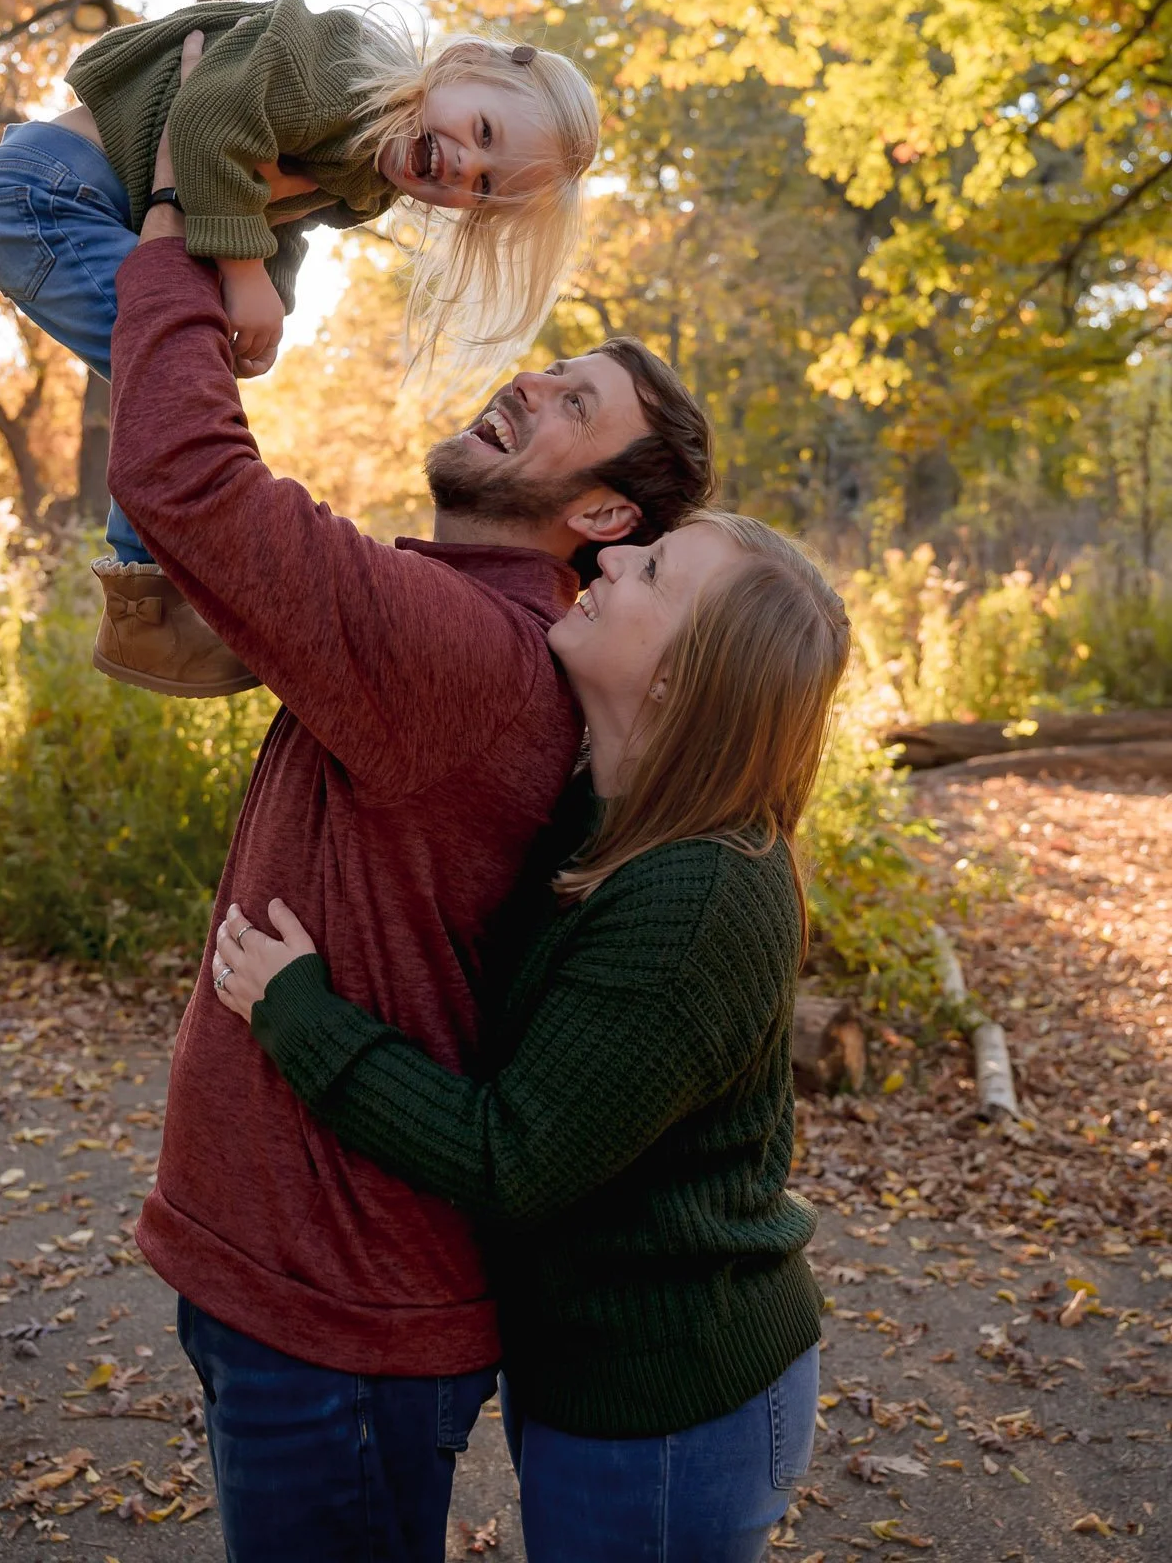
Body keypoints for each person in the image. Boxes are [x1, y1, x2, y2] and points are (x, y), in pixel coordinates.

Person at [103, 38, 716, 1563]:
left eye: (568, 405)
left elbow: (187, 477)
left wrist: (184, 211)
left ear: (600, 513)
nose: (525, 385)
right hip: (285, 1286)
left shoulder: (467, 653)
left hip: (339, 1319)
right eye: (544, 370)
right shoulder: (463, 625)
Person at [211, 509, 851, 1563]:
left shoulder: (696, 893)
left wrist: (304, 1016)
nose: (605, 559)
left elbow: (511, 1155)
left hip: (666, 1403)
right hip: (596, 1379)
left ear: (681, 682)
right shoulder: (602, 809)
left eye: (648, 571)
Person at [0, 0, 599, 696]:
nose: (461, 166)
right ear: (462, 66)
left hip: (82, 199)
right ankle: (147, 608)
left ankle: (156, 599)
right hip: (51, 192)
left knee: (177, 361)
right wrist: (236, 273)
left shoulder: (367, 183)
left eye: (483, 186)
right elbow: (207, 122)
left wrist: (270, 303)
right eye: (479, 129)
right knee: (166, 362)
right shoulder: (343, 65)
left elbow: (279, 221)